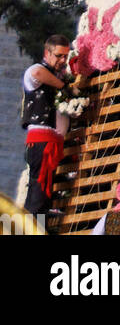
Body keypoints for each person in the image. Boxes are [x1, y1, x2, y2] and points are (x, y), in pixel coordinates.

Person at [21, 35, 80, 219]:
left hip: (51, 141)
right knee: (38, 195)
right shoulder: (39, 71)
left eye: (65, 56)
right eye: (59, 55)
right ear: (47, 53)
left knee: (41, 195)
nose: (63, 60)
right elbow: (36, 73)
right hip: (41, 141)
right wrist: (65, 87)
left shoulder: (55, 76)